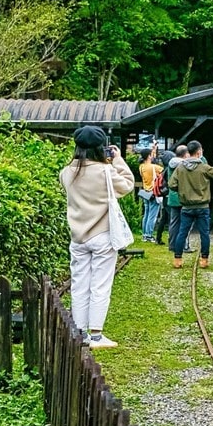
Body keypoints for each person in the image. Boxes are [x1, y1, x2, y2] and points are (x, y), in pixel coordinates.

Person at [59, 125, 135, 349]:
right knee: (100, 285)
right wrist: (118, 160)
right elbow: (127, 185)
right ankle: (97, 335)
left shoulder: (66, 172)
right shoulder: (105, 171)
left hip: (78, 237)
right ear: (100, 148)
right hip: (102, 235)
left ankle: (80, 332)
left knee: (79, 283)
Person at [171, 140, 213, 269]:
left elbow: (171, 184)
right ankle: (204, 260)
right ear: (199, 152)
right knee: (204, 234)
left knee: (182, 233)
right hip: (202, 207)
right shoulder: (204, 167)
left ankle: (177, 260)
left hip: (186, 207)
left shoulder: (180, 168)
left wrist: (183, 191)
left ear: (188, 152)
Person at [165, 145, 189, 253]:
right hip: (181, 197)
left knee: (174, 223)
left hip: (172, 197)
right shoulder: (183, 165)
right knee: (184, 222)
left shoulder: (171, 163)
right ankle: (183, 246)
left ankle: (172, 245)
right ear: (185, 154)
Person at [138, 147, 161, 243]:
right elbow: (163, 171)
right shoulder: (154, 167)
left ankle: (144, 234)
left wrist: (154, 150)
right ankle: (149, 235)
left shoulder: (141, 167)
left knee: (146, 214)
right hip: (153, 192)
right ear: (149, 156)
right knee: (152, 215)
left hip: (145, 192)